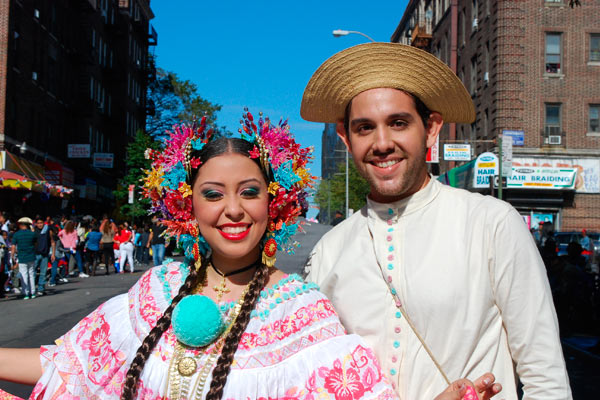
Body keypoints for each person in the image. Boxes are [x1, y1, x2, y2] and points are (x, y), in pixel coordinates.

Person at [0, 115, 497, 400]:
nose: (233, 210)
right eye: (213, 194)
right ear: (187, 204)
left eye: (249, 191)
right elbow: (66, 365)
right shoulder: (157, 288)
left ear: (273, 202)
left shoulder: (301, 310)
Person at [301, 43, 569, 399]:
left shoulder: (491, 224)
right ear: (345, 139)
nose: (382, 143)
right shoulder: (329, 252)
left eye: (398, 123)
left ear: (430, 129)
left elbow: (544, 375)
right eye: (364, 128)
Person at [10, 217, 37, 299]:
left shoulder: (16, 234)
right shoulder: (32, 234)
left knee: (24, 275)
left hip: (22, 257)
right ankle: (33, 292)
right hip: (31, 255)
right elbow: (36, 244)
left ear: (21, 225)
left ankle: (26, 293)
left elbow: (13, 246)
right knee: (31, 274)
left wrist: (12, 256)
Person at [33, 218, 54, 296]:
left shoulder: (48, 230)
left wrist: (53, 254)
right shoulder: (34, 231)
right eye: (38, 223)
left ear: (44, 223)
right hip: (35, 254)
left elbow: (52, 242)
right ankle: (32, 288)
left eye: (41, 223)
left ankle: (41, 289)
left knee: (43, 272)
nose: (39, 224)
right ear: (36, 224)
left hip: (45, 254)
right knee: (33, 272)